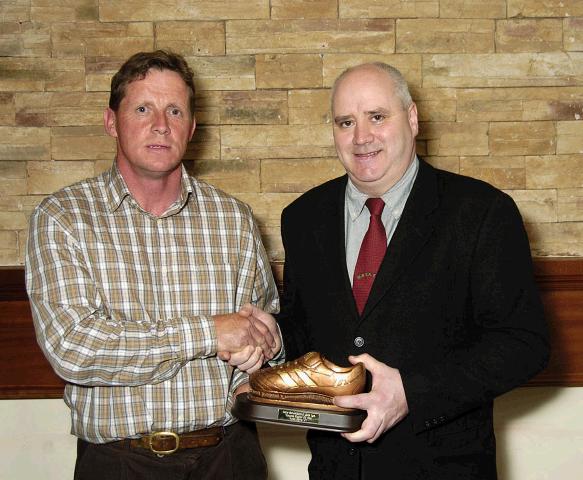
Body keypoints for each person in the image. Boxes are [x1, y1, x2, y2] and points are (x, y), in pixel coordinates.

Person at [274, 62, 550, 478]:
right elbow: (307, 332)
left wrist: (412, 392)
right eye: (345, 122)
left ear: (413, 118)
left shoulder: (481, 212)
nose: (361, 136)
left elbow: (524, 343)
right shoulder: (302, 218)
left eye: (377, 116)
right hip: (336, 470)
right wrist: (269, 340)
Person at [25, 50, 281, 480]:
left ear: (192, 127)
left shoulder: (234, 218)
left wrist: (263, 356)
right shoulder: (62, 218)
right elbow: (75, 348)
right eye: (143, 108)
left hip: (229, 458)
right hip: (118, 462)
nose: (160, 124)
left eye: (175, 110)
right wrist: (207, 332)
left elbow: (263, 328)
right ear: (112, 121)